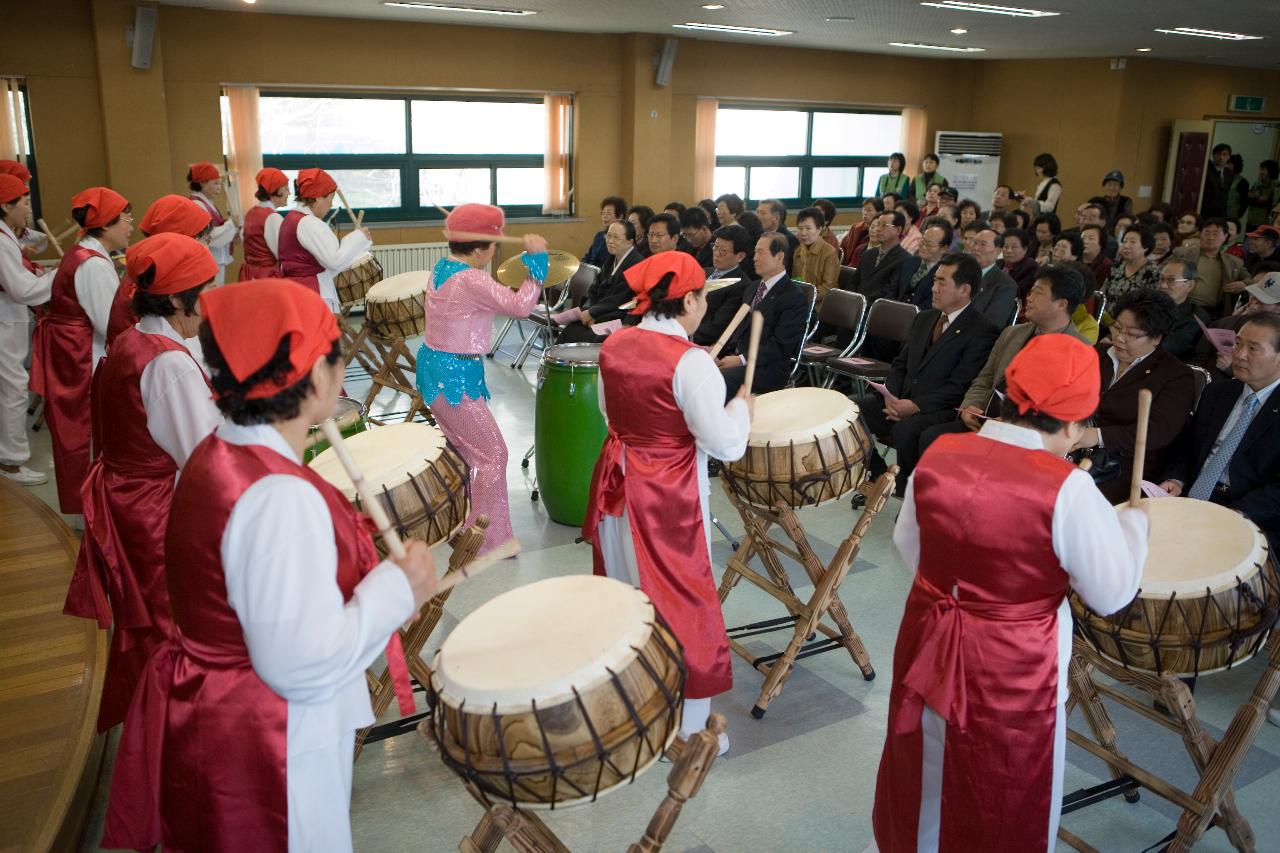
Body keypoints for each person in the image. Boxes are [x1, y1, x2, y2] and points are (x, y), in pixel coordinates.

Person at [100, 278, 439, 853]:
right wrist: (397, 587)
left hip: (221, 709)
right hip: (270, 733)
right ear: (311, 381)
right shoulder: (279, 497)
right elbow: (300, 665)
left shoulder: (216, 453)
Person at [872, 333, 1147, 853]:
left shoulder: (939, 450)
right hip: (1012, 660)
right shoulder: (1068, 487)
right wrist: (1133, 529)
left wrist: (961, 589)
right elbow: (1110, 594)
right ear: (1073, 421)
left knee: (924, 756)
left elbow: (910, 546)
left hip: (929, 631)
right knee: (1003, 780)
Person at [582, 251, 749, 754]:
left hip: (618, 485)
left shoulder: (614, 343)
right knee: (681, 601)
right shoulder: (692, 362)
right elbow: (725, 445)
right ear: (691, 299)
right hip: (668, 498)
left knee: (626, 593)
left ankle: (631, 702)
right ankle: (689, 729)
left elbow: (610, 413)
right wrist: (740, 408)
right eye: (703, 300)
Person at [66, 233, 221, 732]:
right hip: (156, 509)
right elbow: (203, 457)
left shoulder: (132, 340)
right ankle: (171, 733)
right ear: (176, 299)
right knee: (169, 623)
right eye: (207, 288)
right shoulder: (170, 364)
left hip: (130, 498)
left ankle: (158, 723)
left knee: (155, 623)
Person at [418, 204, 547, 555]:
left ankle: (468, 524)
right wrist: (537, 265)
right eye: (492, 244)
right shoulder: (472, 278)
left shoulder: (442, 268)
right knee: (493, 454)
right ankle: (488, 541)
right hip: (454, 376)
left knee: (466, 451)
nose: (494, 250)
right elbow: (520, 307)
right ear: (479, 249)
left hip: (436, 370)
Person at [859, 253, 1000, 495]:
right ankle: (880, 474)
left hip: (939, 408)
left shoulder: (982, 330)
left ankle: (908, 491)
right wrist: (890, 396)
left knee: (906, 430)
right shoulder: (924, 318)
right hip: (901, 401)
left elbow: (960, 385)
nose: (933, 288)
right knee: (852, 412)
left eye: (942, 283)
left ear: (964, 289)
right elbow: (900, 363)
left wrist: (914, 406)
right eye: (934, 280)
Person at [917, 264, 1090, 458]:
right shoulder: (1012, 334)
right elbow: (985, 378)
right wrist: (969, 407)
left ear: (1061, 304)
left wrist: (1014, 424)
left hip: (1026, 438)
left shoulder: (1080, 351)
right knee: (929, 438)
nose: (1029, 298)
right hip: (985, 421)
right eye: (1031, 291)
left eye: (1037, 293)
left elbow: (1067, 415)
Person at [29, 187, 131, 515]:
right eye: (125, 218)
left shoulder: (84, 253)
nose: (131, 224)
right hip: (83, 355)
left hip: (73, 349)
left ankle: (87, 507)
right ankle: (89, 510)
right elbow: (109, 323)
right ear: (107, 224)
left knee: (78, 434)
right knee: (83, 434)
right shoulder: (93, 265)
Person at [1074, 289, 1196, 503]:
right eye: (1117, 328)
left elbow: (1158, 432)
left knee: (1075, 502)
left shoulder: (1175, 375)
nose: (1119, 338)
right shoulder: (1097, 354)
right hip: (1074, 449)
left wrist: (1099, 436)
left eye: (1132, 334)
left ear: (1157, 338)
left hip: (1125, 466)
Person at [0, 174, 54, 486]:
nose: (28, 209)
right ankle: (11, 462)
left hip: (9, 314)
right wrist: (57, 276)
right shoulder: (3, 239)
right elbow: (21, 290)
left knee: (11, 386)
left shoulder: (8, 236)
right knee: (13, 387)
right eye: (24, 202)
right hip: (6, 315)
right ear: (6, 205)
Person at [108, 194, 214, 344]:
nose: (208, 248)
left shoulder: (149, 276)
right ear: (180, 243)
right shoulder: (147, 287)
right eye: (205, 240)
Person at [717, 232, 807, 397]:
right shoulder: (753, 287)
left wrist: (741, 359)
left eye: (760, 252)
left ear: (779, 257)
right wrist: (718, 352)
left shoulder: (793, 297)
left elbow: (781, 346)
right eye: (755, 252)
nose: (754, 258)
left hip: (767, 368)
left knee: (717, 380)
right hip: (739, 356)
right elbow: (739, 328)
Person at [277, 168, 373, 311]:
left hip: (298, 291)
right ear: (317, 198)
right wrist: (358, 238)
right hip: (310, 294)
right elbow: (334, 261)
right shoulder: (308, 223)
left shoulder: (292, 218)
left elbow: (322, 263)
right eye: (330, 198)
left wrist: (358, 241)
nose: (331, 204)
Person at [556, 218, 643, 345]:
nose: (610, 241)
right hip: (602, 312)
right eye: (609, 236)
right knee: (572, 329)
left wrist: (592, 313)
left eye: (616, 237)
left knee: (590, 336)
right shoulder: (611, 259)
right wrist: (590, 311)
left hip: (619, 316)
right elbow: (595, 288)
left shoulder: (636, 263)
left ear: (630, 242)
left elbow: (619, 297)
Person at [692, 223, 753, 349]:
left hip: (701, 342)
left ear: (740, 256)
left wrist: (685, 335)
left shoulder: (741, 285)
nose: (716, 253)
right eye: (715, 247)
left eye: (723, 251)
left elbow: (717, 326)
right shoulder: (703, 271)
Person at [1173, 218, 1247, 316]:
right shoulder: (1182, 253)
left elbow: (1252, 281)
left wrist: (1243, 285)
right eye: (1207, 233)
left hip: (1213, 313)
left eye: (1215, 234)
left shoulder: (1234, 262)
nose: (1210, 237)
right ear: (1200, 234)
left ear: (1225, 236)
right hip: (1181, 306)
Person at [187, 161, 240, 285]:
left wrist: (233, 229)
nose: (219, 187)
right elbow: (210, 235)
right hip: (208, 259)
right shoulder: (197, 204)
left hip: (215, 259)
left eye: (220, 183)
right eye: (215, 183)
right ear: (202, 183)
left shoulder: (206, 202)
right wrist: (231, 224)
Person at [239, 166, 290, 280]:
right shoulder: (273, 218)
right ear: (277, 190)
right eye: (286, 188)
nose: (289, 193)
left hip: (249, 274)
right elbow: (283, 255)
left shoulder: (251, 213)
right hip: (266, 277)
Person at [1157, 258, 1209, 361]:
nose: (1162, 285)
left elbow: (1168, 348)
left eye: (1171, 280)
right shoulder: (1147, 306)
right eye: (1162, 279)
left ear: (1190, 285)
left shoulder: (1196, 317)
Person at [968, 226, 1018, 326]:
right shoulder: (960, 271)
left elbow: (993, 324)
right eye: (975, 243)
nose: (976, 248)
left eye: (983, 244)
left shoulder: (1006, 285)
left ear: (998, 251)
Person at [791, 205, 839, 309]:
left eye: (808, 228)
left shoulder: (829, 253)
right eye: (800, 228)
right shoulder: (798, 251)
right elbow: (795, 279)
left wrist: (805, 298)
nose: (803, 233)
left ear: (819, 229)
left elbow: (827, 287)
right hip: (800, 302)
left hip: (821, 305)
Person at [1102, 226, 1160, 303]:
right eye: (1125, 241)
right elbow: (1103, 294)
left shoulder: (1153, 272)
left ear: (1146, 247)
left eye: (1132, 242)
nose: (1126, 246)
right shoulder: (1116, 267)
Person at [1201, 143, 1249, 222]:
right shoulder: (1206, 170)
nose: (1221, 157)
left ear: (1229, 157)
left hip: (1222, 214)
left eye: (1225, 154)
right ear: (1213, 155)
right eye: (1218, 154)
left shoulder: (1229, 173)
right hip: (1205, 212)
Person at [582, 195, 626, 269]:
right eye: (603, 213)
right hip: (589, 274)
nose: (605, 216)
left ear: (620, 216)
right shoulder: (599, 235)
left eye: (609, 213)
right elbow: (588, 256)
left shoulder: (622, 239)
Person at [755, 199, 798, 270]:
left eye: (762, 213)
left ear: (776, 218)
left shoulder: (790, 240)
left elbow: (786, 269)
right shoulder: (757, 234)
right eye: (757, 212)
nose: (758, 217)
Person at [839, 197, 882, 264]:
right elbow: (843, 247)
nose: (865, 213)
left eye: (869, 210)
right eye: (864, 209)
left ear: (879, 213)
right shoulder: (855, 227)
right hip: (848, 264)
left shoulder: (879, 232)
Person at [1000, 227, 1038, 300]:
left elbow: (1020, 293)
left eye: (1014, 247)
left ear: (1025, 249)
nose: (1009, 250)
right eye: (1006, 246)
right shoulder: (998, 263)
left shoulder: (1030, 267)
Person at [1248, 161, 1279, 231]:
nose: (1260, 172)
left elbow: (1272, 203)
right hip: (1251, 220)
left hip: (1265, 222)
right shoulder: (1257, 183)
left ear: (1271, 171)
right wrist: (1258, 199)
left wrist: (1256, 198)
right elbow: (1249, 198)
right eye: (1260, 169)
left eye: (1263, 169)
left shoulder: (1277, 186)